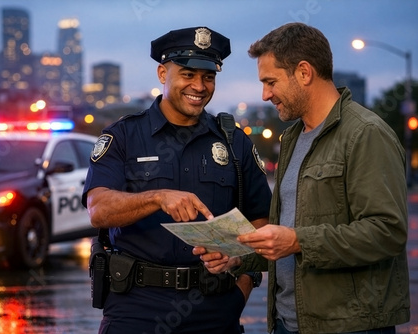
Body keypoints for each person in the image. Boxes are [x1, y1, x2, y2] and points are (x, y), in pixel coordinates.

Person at [194, 22, 410, 334]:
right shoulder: (293, 138)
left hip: (348, 326)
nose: (265, 94)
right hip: (287, 323)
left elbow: (386, 233)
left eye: (271, 82)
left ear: (304, 73)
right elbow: (286, 240)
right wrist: (239, 257)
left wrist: (297, 241)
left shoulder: (365, 134)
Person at [82, 26, 272, 333]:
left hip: (216, 306)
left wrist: (241, 274)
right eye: (187, 74)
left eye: (208, 77)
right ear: (162, 73)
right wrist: (157, 197)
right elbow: (98, 210)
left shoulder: (235, 143)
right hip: (136, 307)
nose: (199, 86)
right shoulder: (124, 136)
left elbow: (263, 222)